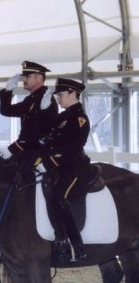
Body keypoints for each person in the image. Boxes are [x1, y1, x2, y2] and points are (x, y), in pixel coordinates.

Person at [38, 78, 90, 262]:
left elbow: (72, 149)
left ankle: (76, 246)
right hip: (59, 167)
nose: (58, 98)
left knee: (60, 198)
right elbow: (47, 135)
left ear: (72, 93)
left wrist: (49, 163)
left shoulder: (80, 119)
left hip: (74, 168)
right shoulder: (64, 116)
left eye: (60, 95)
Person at [0, 61, 58, 163]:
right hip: (25, 148)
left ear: (39, 78)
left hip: (38, 151)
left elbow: (37, 132)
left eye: (27, 76)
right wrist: (7, 91)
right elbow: (6, 110)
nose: (24, 80)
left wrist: (14, 148)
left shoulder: (45, 98)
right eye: (24, 77)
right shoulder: (31, 99)